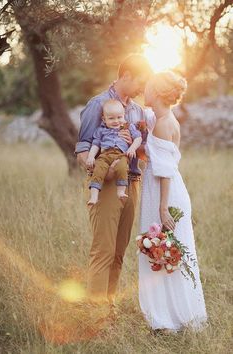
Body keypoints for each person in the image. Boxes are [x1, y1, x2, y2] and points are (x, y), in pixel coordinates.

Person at [76, 54, 152, 310]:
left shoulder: (138, 110)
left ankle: (108, 308)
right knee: (103, 251)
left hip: (133, 183)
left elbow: (142, 151)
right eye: (140, 80)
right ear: (126, 75)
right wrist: (105, 171)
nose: (143, 87)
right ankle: (94, 315)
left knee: (119, 253)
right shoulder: (97, 104)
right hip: (108, 185)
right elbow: (82, 151)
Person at [139, 71, 207, 332]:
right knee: (164, 252)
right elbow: (155, 157)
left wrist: (163, 207)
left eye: (146, 86)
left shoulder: (164, 122)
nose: (143, 91)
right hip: (164, 188)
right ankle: (172, 315)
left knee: (164, 251)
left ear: (155, 91)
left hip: (163, 192)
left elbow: (164, 170)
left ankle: (168, 319)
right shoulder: (161, 119)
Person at [86, 99, 142, 205]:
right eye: (111, 118)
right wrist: (91, 156)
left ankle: (120, 191)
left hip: (121, 154)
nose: (116, 121)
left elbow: (138, 138)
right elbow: (95, 144)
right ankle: (94, 196)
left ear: (124, 115)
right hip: (104, 155)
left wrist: (132, 148)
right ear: (104, 119)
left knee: (122, 167)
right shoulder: (101, 130)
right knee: (98, 168)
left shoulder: (129, 127)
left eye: (119, 117)